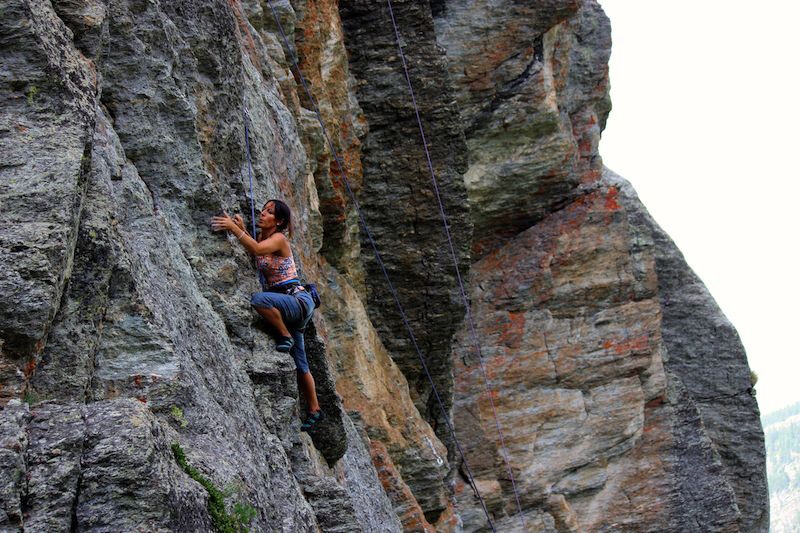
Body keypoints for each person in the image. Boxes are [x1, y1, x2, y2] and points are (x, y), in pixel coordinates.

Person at [211, 200, 324, 431]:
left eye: (270, 212)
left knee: (259, 300)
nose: (263, 213)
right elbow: (256, 248)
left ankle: (284, 335)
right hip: (292, 306)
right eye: (263, 210)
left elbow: (258, 250)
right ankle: (315, 409)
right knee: (301, 364)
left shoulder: (280, 239)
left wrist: (234, 229)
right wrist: (242, 230)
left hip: (295, 301)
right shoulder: (264, 238)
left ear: (279, 221)